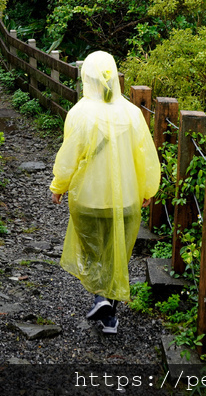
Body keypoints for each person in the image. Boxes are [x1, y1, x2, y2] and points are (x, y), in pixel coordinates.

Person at [49, 51, 160, 335]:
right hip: (125, 200)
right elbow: (145, 155)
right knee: (116, 253)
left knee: (93, 252)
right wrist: (148, 188)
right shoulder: (132, 113)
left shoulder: (80, 113)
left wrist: (58, 186)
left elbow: (69, 156)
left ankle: (101, 298)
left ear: (87, 77)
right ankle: (109, 314)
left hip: (88, 199)